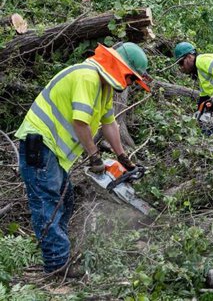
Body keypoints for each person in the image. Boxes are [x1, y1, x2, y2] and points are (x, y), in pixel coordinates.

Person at [15, 42, 150, 278]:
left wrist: (122, 157)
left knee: (65, 200)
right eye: (130, 79)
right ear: (122, 69)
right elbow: (80, 122)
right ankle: (57, 265)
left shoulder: (104, 87)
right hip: (40, 144)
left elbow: (109, 123)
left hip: (54, 152)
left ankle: (59, 251)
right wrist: (94, 156)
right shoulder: (87, 77)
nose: (129, 84)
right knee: (48, 204)